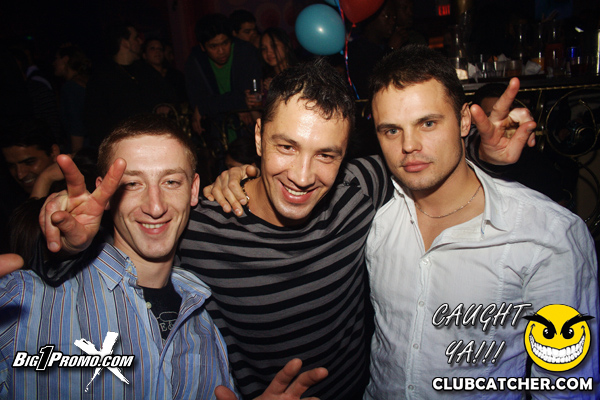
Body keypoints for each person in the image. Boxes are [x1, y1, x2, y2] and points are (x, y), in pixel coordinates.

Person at [35, 58, 535, 399]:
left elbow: (426, 165)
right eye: (286, 146)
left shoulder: (359, 189)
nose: (301, 176)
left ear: (347, 155)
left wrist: (482, 154)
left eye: (326, 155)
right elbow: (116, 278)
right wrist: (72, 245)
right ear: (258, 135)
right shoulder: (201, 225)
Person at [0, 114, 326, 399]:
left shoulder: (204, 322)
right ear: (105, 193)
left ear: (194, 189)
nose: (155, 206)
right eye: (132, 184)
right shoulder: (28, 299)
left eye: (171, 181)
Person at [364, 44, 599, 399]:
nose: (409, 145)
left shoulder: (546, 235)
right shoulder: (378, 216)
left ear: (463, 121)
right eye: (391, 131)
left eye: (428, 123)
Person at [84, 23, 179, 149]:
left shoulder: (146, 70)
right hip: (121, 147)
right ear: (125, 43)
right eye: (135, 38)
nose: (140, 41)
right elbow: (95, 122)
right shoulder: (102, 77)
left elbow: (170, 96)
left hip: (152, 142)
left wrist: (164, 106)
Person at [53, 43, 92, 152]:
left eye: (56, 59)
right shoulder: (87, 83)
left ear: (65, 59)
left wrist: (76, 156)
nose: (53, 63)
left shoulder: (71, 88)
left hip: (83, 150)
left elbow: (77, 126)